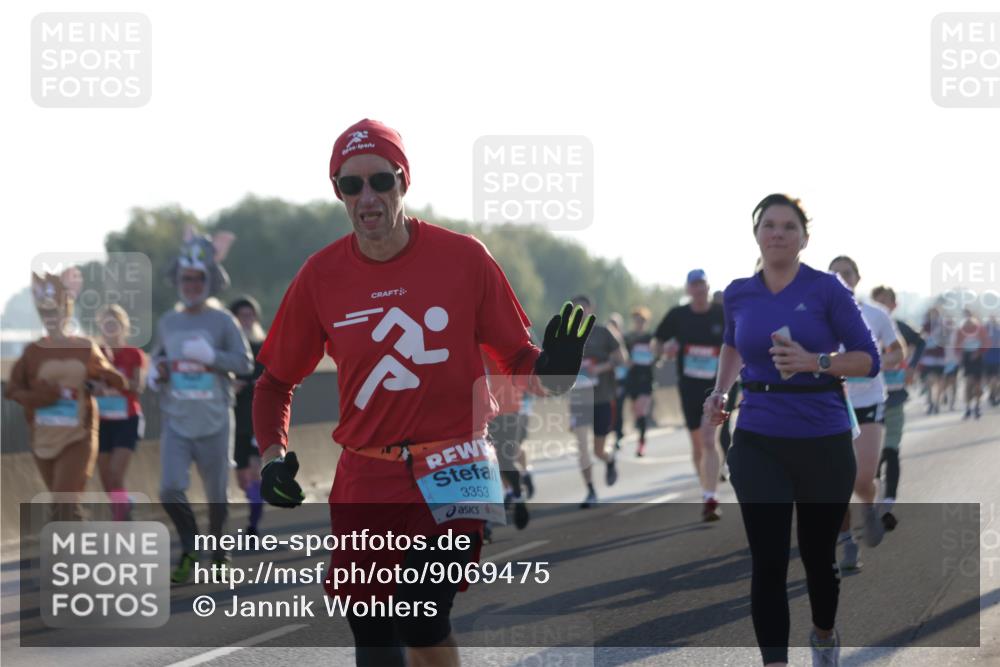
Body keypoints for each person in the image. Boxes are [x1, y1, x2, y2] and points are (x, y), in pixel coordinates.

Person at [251, 118, 594, 667]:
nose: (367, 197)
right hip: (366, 473)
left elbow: (518, 361)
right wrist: (272, 456)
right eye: (351, 184)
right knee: (374, 636)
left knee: (420, 614)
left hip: (457, 460)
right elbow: (273, 384)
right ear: (338, 191)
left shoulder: (465, 258)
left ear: (403, 181)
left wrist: (555, 373)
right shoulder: (320, 276)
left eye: (380, 181)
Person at [704, 194, 881, 667]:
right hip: (758, 437)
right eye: (769, 225)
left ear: (804, 239)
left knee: (819, 560)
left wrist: (815, 361)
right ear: (756, 234)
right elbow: (732, 345)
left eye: (789, 226)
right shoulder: (738, 293)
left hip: (823, 438)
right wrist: (720, 391)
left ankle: (823, 634)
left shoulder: (827, 290)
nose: (778, 233)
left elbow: (868, 359)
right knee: (768, 561)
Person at [148, 229, 254, 583]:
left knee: (217, 496)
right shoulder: (168, 321)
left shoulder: (222, 320)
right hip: (177, 419)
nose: (191, 284)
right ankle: (190, 547)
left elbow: (244, 363)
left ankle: (220, 553)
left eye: (197, 278)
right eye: (185, 278)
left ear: (208, 281)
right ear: (178, 281)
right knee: (169, 489)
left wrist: (212, 357)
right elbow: (157, 359)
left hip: (215, 419)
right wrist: (156, 372)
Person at [5, 272, 128, 522]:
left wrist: (99, 382)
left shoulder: (85, 347)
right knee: (66, 509)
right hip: (44, 437)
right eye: (45, 312)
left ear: (66, 312)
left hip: (78, 435)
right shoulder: (33, 352)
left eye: (55, 311)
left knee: (62, 502)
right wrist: (38, 396)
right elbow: (11, 390)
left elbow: (118, 381)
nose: (50, 317)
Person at [828, 257, 905, 571]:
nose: (841, 278)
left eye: (846, 273)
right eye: (834, 273)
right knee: (835, 482)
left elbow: (898, 351)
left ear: (857, 278)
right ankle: (847, 541)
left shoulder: (876, 314)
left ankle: (869, 507)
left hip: (869, 400)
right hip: (833, 403)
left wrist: (872, 364)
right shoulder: (819, 314)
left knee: (862, 478)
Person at [654, 269, 726, 521]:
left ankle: (711, 497)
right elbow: (657, 343)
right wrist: (665, 350)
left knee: (708, 439)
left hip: (717, 387)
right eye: (694, 285)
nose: (699, 289)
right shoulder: (678, 315)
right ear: (688, 289)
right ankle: (706, 490)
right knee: (697, 445)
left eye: (702, 284)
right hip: (688, 388)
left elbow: (738, 343)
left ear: (708, 286)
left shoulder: (722, 314)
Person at [870, 286, 925, 531]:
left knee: (891, 449)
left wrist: (911, 367)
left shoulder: (901, 327)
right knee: (872, 456)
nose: (881, 307)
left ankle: (888, 501)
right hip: (869, 400)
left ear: (894, 305)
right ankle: (874, 497)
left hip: (894, 397)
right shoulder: (864, 324)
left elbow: (921, 342)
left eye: (885, 302)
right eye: (877, 302)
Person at [567, 295, 626, 508]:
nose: (580, 314)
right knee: (582, 447)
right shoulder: (566, 334)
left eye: (584, 309)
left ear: (591, 310)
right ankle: (590, 490)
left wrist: (599, 368)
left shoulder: (603, 332)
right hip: (579, 399)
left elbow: (622, 359)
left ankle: (609, 460)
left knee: (598, 451)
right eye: (576, 310)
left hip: (602, 398)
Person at [94, 304, 148, 521]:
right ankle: (124, 504)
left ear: (123, 326)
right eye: (106, 323)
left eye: (114, 323)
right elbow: (85, 384)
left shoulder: (134, 354)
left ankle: (120, 520)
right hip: (101, 420)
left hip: (127, 419)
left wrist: (113, 379)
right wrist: (94, 386)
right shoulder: (95, 354)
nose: (110, 327)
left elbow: (138, 386)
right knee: (106, 479)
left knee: (115, 473)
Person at [229, 295, 268, 535]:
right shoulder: (226, 349)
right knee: (243, 478)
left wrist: (255, 385)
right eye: (242, 315)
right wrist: (229, 386)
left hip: (257, 419)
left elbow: (281, 379)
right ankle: (254, 503)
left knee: (254, 470)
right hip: (232, 421)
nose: (247, 319)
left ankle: (253, 527)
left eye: (250, 315)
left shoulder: (265, 346)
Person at [623, 307, 656, 457]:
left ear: (646, 322)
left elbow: (658, 354)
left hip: (646, 378)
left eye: (642, 321)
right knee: (636, 412)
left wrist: (656, 358)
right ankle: (640, 435)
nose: (639, 323)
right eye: (637, 320)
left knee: (641, 410)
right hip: (632, 378)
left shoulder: (651, 338)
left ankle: (641, 443)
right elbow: (622, 355)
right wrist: (627, 361)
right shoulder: (628, 338)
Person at [953, 308, 990, 419]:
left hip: (978, 358)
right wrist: (959, 355)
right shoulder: (961, 330)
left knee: (977, 384)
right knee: (968, 383)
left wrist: (978, 352)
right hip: (967, 357)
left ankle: (977, 406)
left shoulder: (980, 329)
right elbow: (957, 345)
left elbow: (986, 343)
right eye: (965, 315)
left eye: (969, 315)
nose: (967, 318)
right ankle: (968, 407)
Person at [919, 306, 947, 414]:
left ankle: (937, 403)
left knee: (939, 382)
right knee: (928, 381)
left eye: (935, 313)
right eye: (931, 313)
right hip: (928, 358)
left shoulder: (942, 325)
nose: (933, 315)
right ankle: (930, 401)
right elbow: (920, 338)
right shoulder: (925, 325)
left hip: (940, 358)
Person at [985, 315, 1000, 407]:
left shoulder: (986, 330)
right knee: (994, 379)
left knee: (992, 379)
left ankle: (992, 394)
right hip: (993, 358)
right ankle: (992, 395)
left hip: (989, 358)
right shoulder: (997, 330)